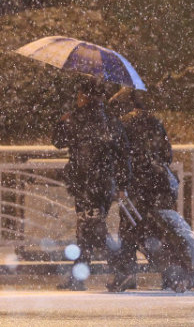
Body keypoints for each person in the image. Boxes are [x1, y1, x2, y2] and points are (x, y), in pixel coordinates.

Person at [53, 78, 131, 290]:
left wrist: (62, 121)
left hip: (85, 183)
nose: (78, 100)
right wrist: (122, 184)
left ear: (84, 97)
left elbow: (58, 141)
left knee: (93, 230)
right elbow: (124, 154)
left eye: (80, 95)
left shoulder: (76, 119)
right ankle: (79, 276)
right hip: (105, 184)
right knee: (87, 230)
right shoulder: (112, 121)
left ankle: (120, 270)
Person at [106, 87, 179, 292]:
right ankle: (170, 275)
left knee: (129, 229)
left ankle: (127, 273)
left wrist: (120, 183)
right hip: (157, 185)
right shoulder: (155, 122)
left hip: (135, 184)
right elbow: (167, 155)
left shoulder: (122, 125)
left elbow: (120, 157)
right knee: (159, 229)